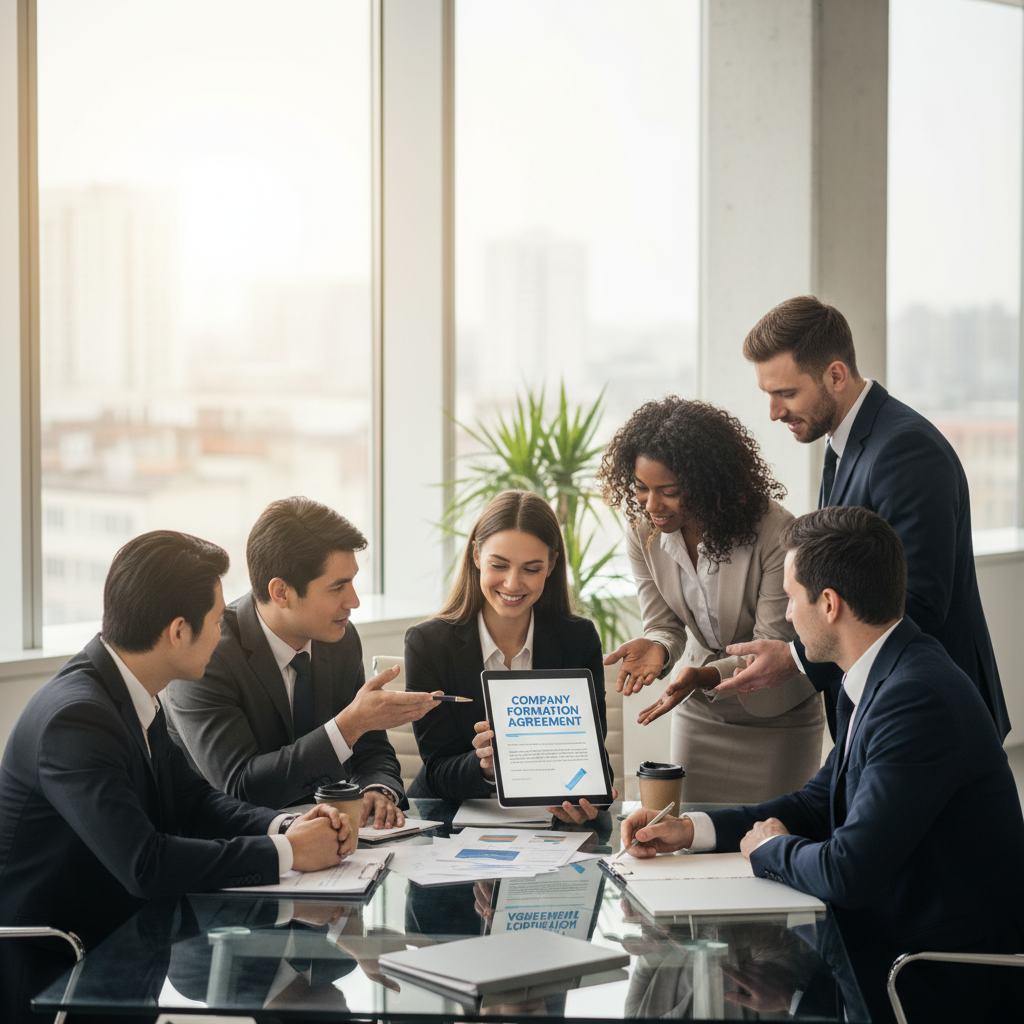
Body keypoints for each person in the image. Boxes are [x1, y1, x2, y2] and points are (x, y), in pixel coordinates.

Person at [621, 507, 1024, 1024]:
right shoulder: (883, 673)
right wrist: (690, 829)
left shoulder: (916, 697)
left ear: (829, 604)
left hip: (936, 979)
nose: (787, 616)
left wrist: (770, 849)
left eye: (792, 598)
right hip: (882, 955)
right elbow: (817, 803)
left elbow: (847, 870)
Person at [0, 531, 348, 1024]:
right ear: (178, 631)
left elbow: (194, 802)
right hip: (59, 971)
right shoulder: (76, 718)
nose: (222, 633)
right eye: (216, 621)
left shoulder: (129, 691)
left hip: (124, 951)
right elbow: (145, 864)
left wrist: (284, 828)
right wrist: (289, 854)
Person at [721, 295, 1009, 740]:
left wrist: (798, 656)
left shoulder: (905, 450)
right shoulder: (845, 440)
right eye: (769, 394)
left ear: (836, 374)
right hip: (887, 708)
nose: (775, 412)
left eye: (787, 393)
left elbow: (919, 601)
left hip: (931, 716)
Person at [597, 398, 822, 803]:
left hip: (777, 714)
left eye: (669, 492)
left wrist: (703, 676)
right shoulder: (643, 533)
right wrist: (658, 648)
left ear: (708, 483)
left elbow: (769, 645)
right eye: (641, 489)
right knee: (693, 838)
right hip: (701, 710)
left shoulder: (774, 532)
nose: (651, 505)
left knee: (771, 843)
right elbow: (664, 625)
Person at [166, 497, 438, 828]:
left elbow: (371, 750)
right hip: (236, 845)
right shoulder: (208, 654)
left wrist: (377, 790)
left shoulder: (340, 639)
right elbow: (240, 787)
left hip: (336, 844)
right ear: (281, 592)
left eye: (353, 581)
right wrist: (347, 726)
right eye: (338, 587)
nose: (353, 601)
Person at [404, 490, 613, 821]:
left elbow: (591, 756)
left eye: (531, 569)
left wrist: (588, 798)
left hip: (545, 826)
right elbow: (437, 769)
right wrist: (486, 767)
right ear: (476, 555)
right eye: (499, 565)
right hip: (446, 820)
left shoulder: (577, 639)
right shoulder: (428, 643)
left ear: (552, 565)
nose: (513, 584)